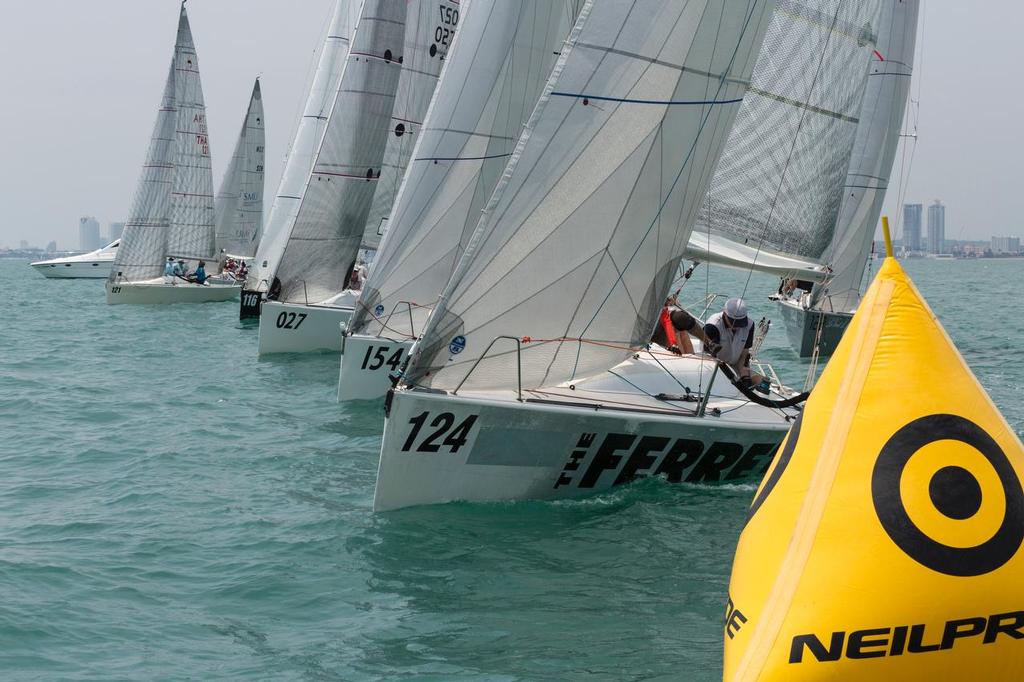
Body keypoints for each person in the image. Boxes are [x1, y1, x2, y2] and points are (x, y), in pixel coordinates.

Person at [703, 298, 767, 390]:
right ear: (725, 314)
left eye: (741, 322)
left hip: (735, 364)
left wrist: (744, 374)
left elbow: (744, 354)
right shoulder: (713, 326)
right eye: (734, 322)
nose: (737, 326)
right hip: (715, 366)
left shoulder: (749, 325)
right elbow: (708, 357)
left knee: (763, 383)